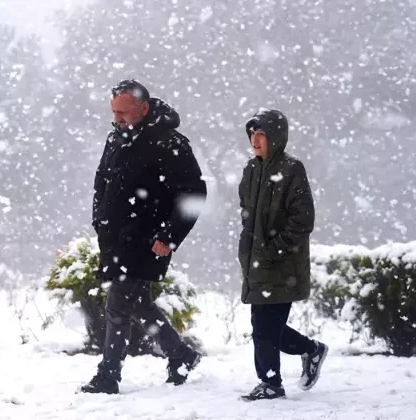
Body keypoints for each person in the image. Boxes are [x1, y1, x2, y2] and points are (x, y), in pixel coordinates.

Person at [81, 79, 207, 394]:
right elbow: (102, 184)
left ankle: (108, 375)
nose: (117, 118)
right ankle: (181, 355)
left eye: (124, 112)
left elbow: (193, 194)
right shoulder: (115, 139)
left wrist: (169, 236)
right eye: (114, 112)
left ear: (144, 108)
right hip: (115, 239)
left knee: (118, 305)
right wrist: (100, 220)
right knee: (139, 304)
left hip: (147, 239)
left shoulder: (169, 142)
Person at [237, 109, 328, 401]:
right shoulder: (251, 170)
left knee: (265, 329)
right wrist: (250, 248)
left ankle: (271, 384)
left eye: (261, 134)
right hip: (256, 263)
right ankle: (312, 350)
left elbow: (303, 218)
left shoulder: (291, 169)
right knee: (264, 328)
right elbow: (247, 213)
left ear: (275, 137)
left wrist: (276, 247)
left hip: (282, 264)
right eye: (252, 133)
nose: (255, 139)